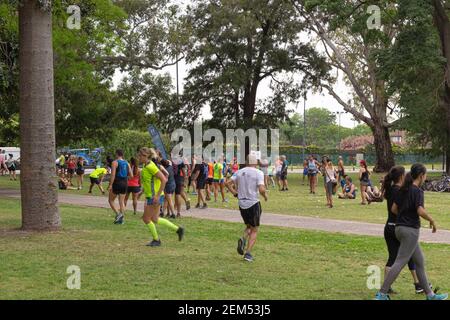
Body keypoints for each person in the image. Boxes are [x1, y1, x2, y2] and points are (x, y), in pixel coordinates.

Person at [375, 164, 448, 300]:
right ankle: (382, 293)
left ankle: (430, 295)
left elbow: (394, 209)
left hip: (399, 228)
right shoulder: (417, 191)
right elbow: (420, 210)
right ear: (421, 176)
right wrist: (432, 220)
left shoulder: (404, 189)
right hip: (410, 231)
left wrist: (404, 216)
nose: (425, 177)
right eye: (425, 175)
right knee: (400, 261)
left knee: (419, 261)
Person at [380, 166, 425, 295]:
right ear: (401, 177)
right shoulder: (400, 191)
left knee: (396, 257)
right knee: (402, 258)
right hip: (398, 226)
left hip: (389, 225)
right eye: (404, 174)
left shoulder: (390, 189)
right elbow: (397, 209)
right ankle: (385, 289)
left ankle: (418, 284)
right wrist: (406, 215)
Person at [138, 147, 184, 247]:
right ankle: (178, 230)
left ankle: (156, 240)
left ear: (145, 156)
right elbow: (149, 182)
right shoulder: (146, 166)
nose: (138, 157)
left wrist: (157, 195)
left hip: (154, 197)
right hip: (153, 196)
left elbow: (163, 179)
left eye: (140, 155)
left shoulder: (151, 166)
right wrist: (142, 192)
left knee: (146, 219)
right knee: (154, 219)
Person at [226, 154, 267, 262]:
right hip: (253, 203)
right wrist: (265, 196)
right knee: (254, 229)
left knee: (249, 225)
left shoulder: (239, 171)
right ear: (255, 162)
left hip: (242, 203)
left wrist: (235, 193)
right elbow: (262, 189)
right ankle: (248, 254)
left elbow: (227, 183)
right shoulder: (259, 173)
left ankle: (243, 239)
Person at [108, 149, 133, 225]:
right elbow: (131, 175)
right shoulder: (127, 163)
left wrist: (110, 184)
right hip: (125, 182)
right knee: (121, 202)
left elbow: (113, 175)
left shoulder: (115, 162)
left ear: (116, 154)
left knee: (111, 200)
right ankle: (122, 219)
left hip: (117, 182)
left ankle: (118, 214)